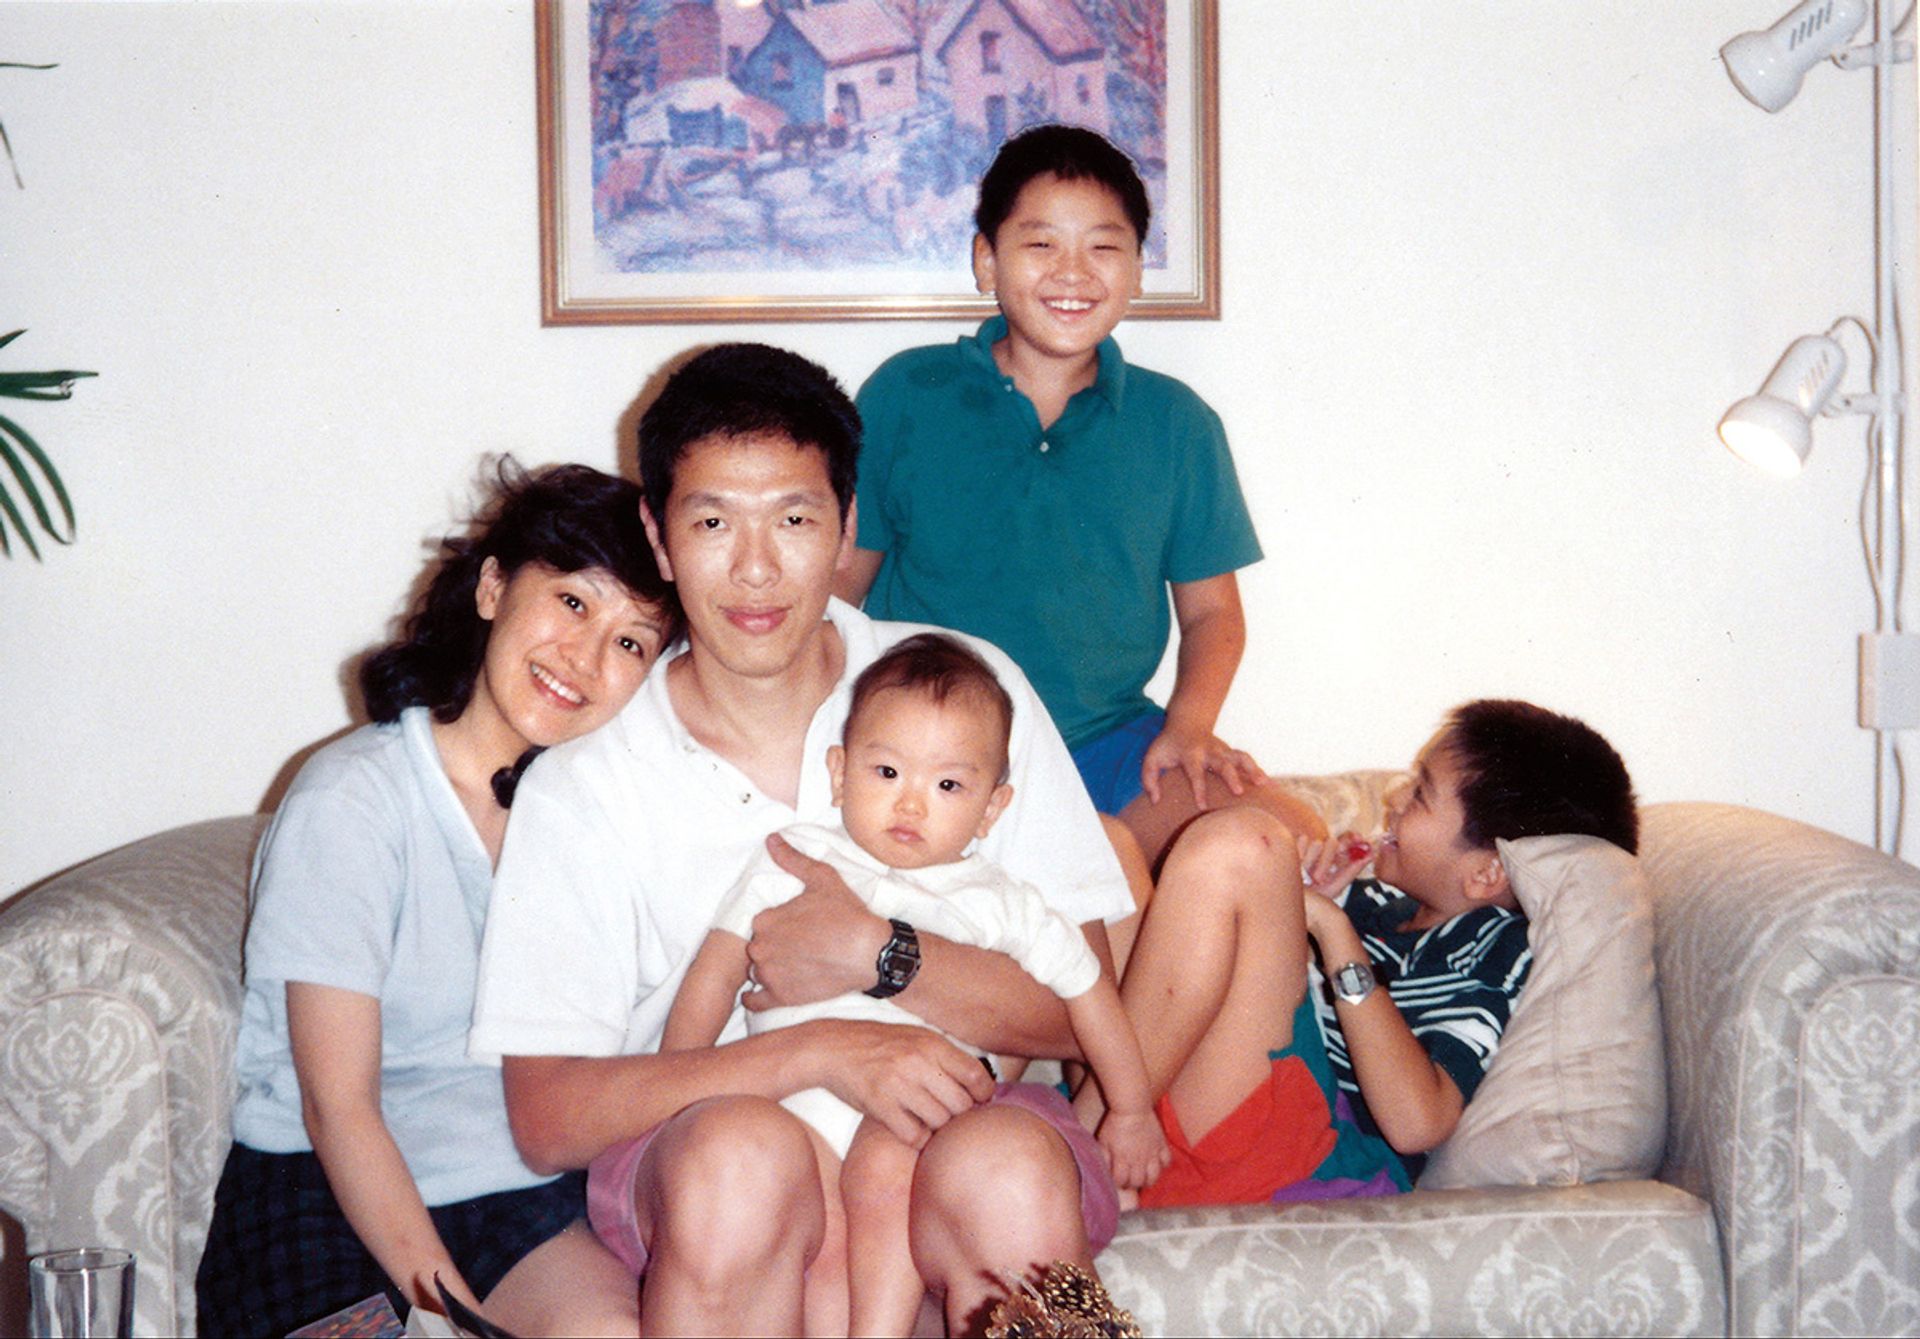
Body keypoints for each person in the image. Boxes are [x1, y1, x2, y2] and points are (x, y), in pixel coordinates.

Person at [468, 344, 1138, 1336]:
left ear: (848, 521)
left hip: (959, 1124)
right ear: (657, 533)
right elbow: (548, 1115)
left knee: (1005, 1168)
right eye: (710, 522)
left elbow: (1082, 1002)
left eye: (793, 518)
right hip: (709, 1159)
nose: (754, 567)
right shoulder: (588, 780)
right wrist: (825, 1050)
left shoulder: (959, 691)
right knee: (741, 1157)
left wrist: (885, 958)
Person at [196, 461, 680, 1337]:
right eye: (572, 602)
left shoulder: (589, 816)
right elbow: (336, 1105)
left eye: (631, 641)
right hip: (326, 1187)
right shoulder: (354, 798)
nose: (586, 656)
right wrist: (444, 1316)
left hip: (514, 1195)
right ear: (493, 585)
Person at [840, 123, 1323, 867]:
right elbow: (842, 585)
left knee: (1298, 841)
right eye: (1040, 245)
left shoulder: (1177, 423)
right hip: (934, 745)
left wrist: (1189, 727)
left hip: (1109, 744)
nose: (1074, 272)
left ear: (1136, 270)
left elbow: (1213, 614)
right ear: (985, 261)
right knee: (1098, 875)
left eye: (1104, 247)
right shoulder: (908, 392)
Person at [661, 632, 1168, 1335]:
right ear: (840, 772)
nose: (912, 805)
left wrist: (1133, 1107)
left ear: (993, 808)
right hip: (786, 1110)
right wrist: (677, 1083)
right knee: (776, 1205)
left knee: (888, 1158)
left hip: (925, 1119)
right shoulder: (798, 859)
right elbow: (714, 971)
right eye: (887, 771)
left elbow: (1089, 996)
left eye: (949, 784)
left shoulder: (1002, 901)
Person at [1081, 699, 1638, 1206]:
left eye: (1419, 794)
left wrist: (1330, 929)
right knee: (1106, 847)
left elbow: (1418, 1124)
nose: (1394, 799)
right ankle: (1104, 1152)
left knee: (1245, 845)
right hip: (1187, 1119)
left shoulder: (1494, 947)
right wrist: (1301, 913)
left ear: (1487, 871)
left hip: (1302, 1151)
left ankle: (1075, 1149)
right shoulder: (1377, 904)